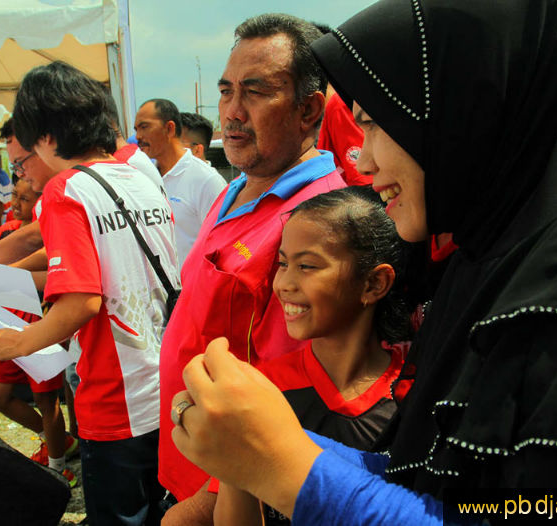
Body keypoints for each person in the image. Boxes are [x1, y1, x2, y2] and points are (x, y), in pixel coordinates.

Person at [168, 1, 557, 524]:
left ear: (467, 110)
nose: (364, 159)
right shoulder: (492, 251)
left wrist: (288, 470)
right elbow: (438, 477)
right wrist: (263, 445)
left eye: (378, 123)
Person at [158, 13, 346, 524]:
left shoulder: (318, 220)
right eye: (226, 92)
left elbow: (297, 392)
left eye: (256, 92)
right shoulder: (235, 188)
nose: (232, 112)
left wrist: (207, 502)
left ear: (309, 110)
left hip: (232, 493)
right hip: (188, 462)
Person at [0, 61, 178, 526]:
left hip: (115, 396)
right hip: (163, 381)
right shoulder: (139, 177)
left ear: (45, 137)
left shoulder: (66, 190)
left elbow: (82, 301)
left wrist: (16, 344)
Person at [214, 186, 419, 526]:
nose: (284, 283)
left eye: (307, 265)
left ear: (374, 284)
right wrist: (233, 459)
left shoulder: (417, 388)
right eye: (283, 263)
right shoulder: (261, 390)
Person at [134, 98, 226, 265]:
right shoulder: (143, 177)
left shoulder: (207, 181)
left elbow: (222, 247)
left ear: (169, 128)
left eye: (144, 127)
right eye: (136, 129)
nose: (138, 136)